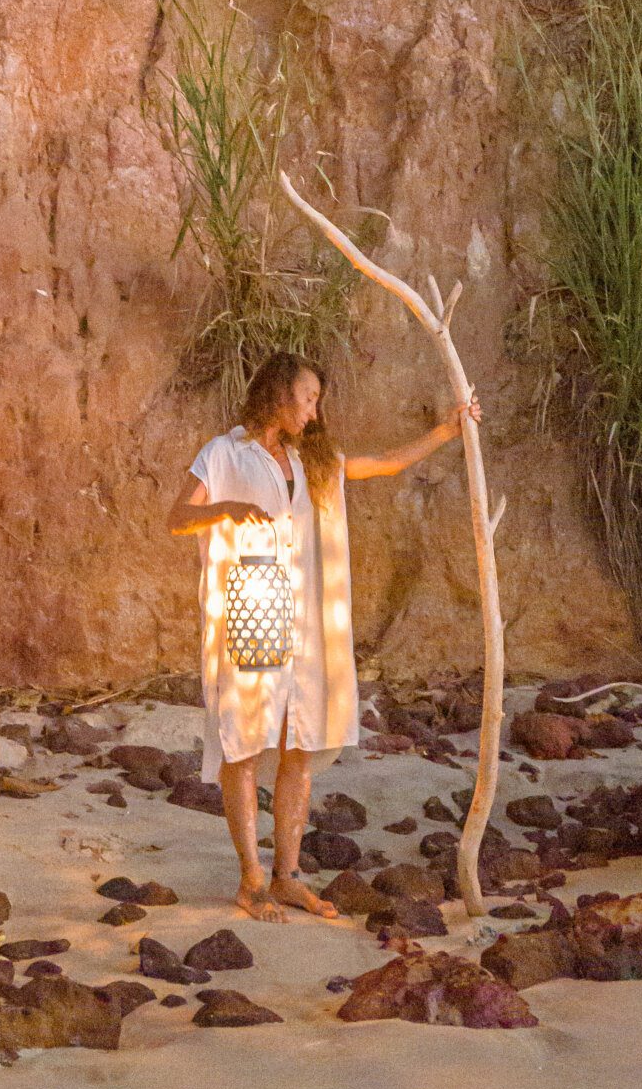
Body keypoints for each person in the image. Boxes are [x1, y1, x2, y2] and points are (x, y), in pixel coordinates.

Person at [168, 350, 481, 920]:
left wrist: (447, 429)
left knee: (300, 743)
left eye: (317, 400)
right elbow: (176, 517)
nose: (315, 411)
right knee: (245, 742)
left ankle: (287, 875)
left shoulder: (314, 460)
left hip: (307, 621)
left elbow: (383, 464)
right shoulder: (224, 454)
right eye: (308, 398)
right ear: (279, 396)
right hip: (251, 609)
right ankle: (251, 882)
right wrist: (229, 507)